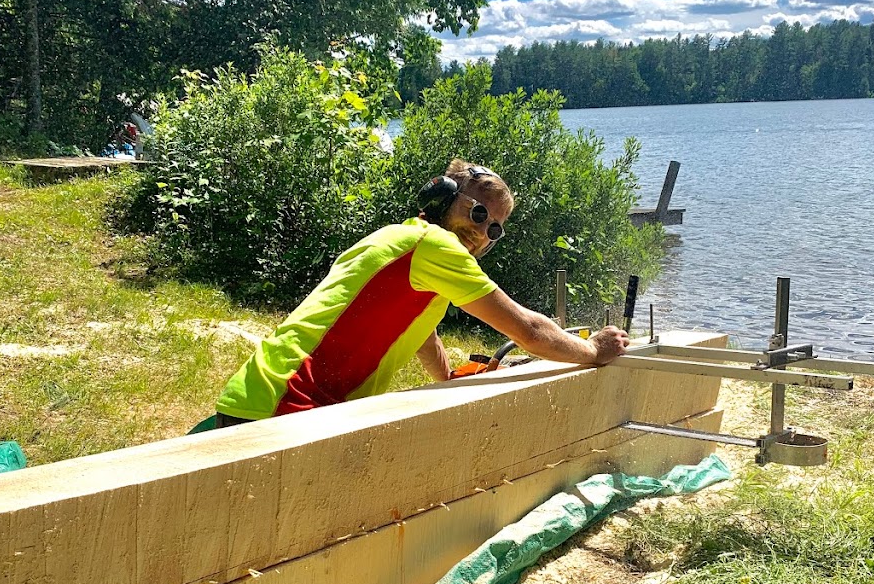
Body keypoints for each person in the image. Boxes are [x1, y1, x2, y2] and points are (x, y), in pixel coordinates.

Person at [212, 159, 630, 426]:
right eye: (478, 212)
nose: (483, 231)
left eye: (495, 228)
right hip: (288, 405)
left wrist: (448, 377)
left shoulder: (401, 239)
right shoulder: (436, 245)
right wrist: (593, 349)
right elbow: (530, 332)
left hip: (263, 397)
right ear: (442, 198)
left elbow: (419, 332)